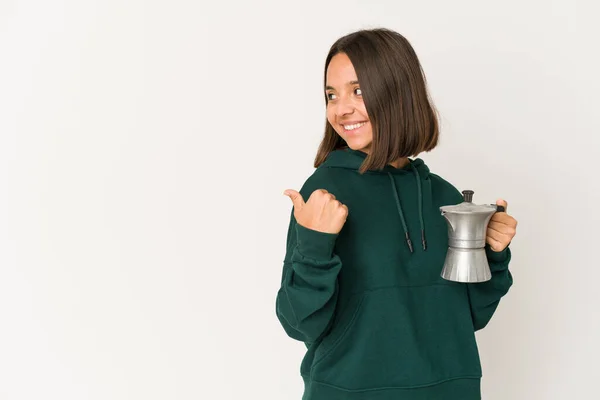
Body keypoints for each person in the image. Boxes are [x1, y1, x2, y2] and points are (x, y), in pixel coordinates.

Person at [275, 28, 518, 400]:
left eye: (358, 91)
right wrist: (314, 246)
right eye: (331, 95)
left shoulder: (444, 196)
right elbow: (298, 323)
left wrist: (494, 256)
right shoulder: (323, 194)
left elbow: (470, 315)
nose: (341, 109)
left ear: (396, 90)